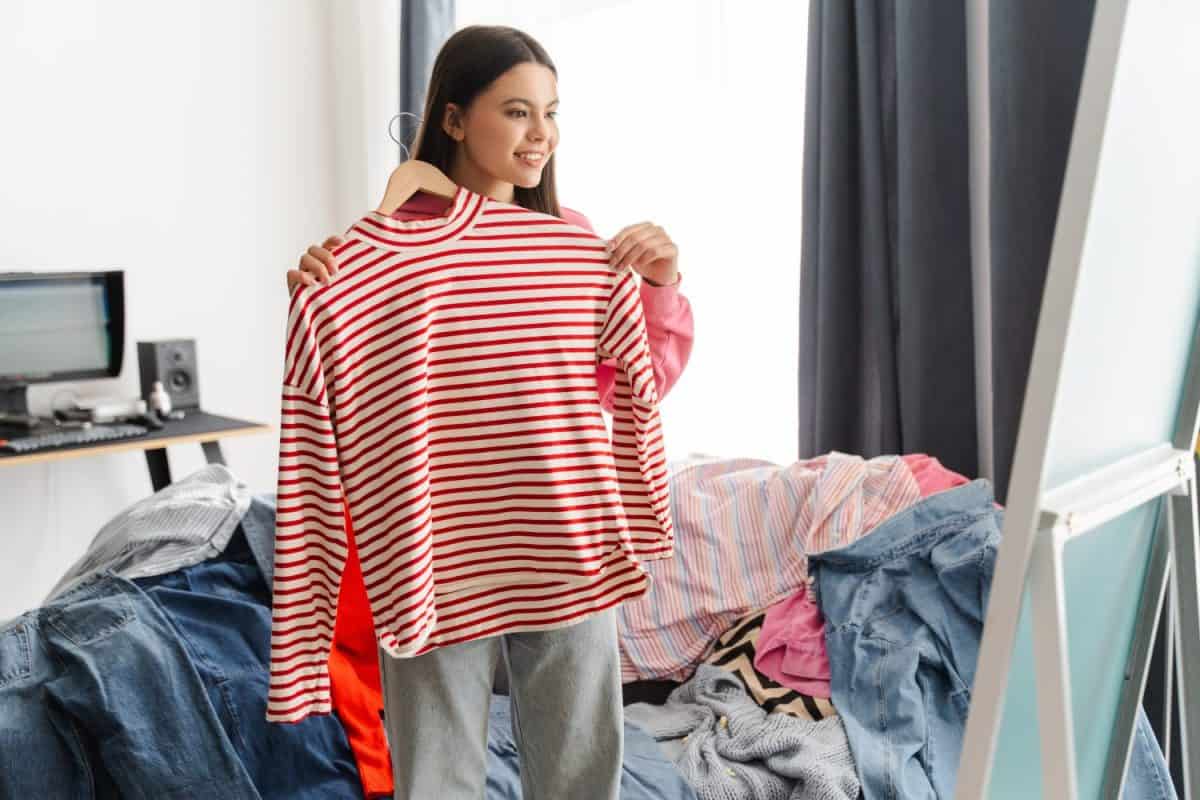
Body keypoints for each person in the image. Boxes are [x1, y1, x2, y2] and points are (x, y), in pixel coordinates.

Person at [284, 25, 695, 800]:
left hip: (563, 534)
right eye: (515, 111)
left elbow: (639, 385)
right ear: (452, 119)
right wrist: (321, 300)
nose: (540, 135)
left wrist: (662, 287)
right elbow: (334, 411)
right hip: (434, 551)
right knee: (436, 777)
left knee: (579, 774)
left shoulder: (573, 245)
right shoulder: (374, 260)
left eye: (550, 113)